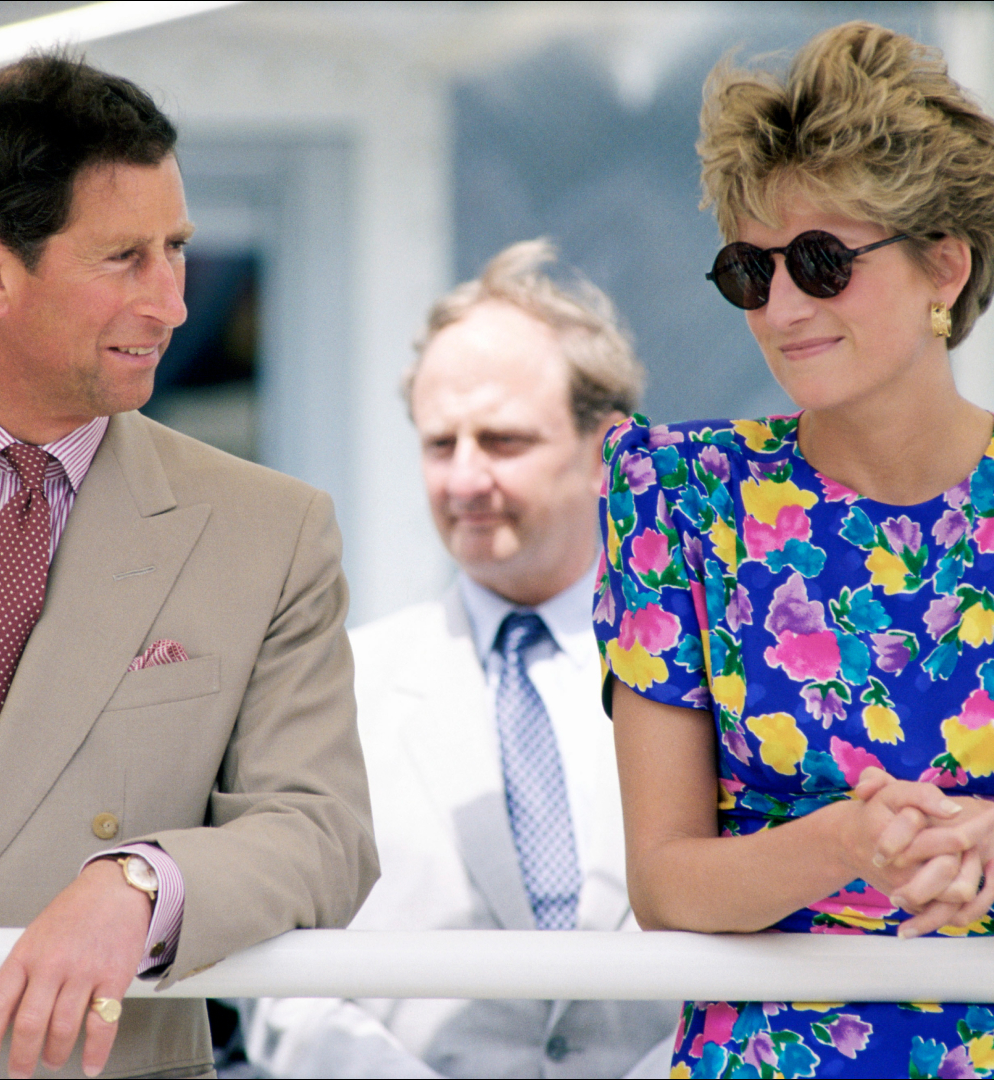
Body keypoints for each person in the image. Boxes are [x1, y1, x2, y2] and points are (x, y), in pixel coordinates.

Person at [0, 55, 378, 1080]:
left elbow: (323, 831)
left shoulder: (271, 532)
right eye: (125, 257)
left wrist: (142, 882)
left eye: (176, 248)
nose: (173, 304)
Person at [595, 21, 994, 1080]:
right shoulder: (678, 495)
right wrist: (846, 845)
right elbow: (666, 886)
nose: (781, 308)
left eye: (821, 262)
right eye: (750, 269)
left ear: (945, 269)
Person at [247, 240, 680, 1078]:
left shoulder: (706, 682)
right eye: (441, 444)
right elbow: (280, 981)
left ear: (609, 451)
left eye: (505, 441)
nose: (465, 479)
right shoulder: (333, 686)